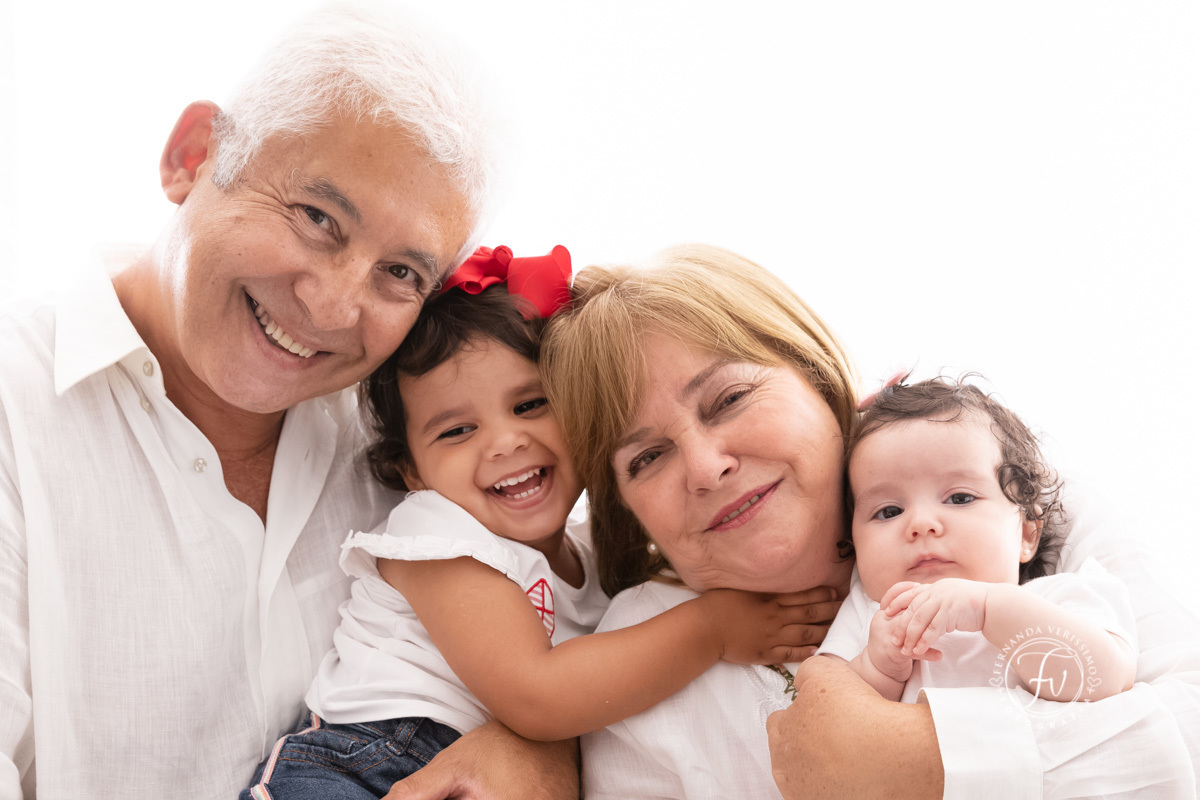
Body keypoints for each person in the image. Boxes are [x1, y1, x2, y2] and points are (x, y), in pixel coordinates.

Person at [0, 6, 581, 799]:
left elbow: (566, 600)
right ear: (192, 156)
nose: (334, 307)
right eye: (317, 218)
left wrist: (542, 749)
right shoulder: (16, 411)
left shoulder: (422, 432)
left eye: (401, 273)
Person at [539, 243, 1200, 799]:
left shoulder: (1006, 500)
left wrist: (916, 761)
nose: (707, 468)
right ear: (626, 506)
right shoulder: (631, 655)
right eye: (647, 458)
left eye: (730, 398)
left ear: (821, 380)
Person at [241, 247, 829, 799]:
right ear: (412, 473)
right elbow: (536, 696)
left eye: (529, 405)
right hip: (366, 761)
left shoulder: (593, 562)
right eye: (456, 431)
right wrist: (713, 630)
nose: (505, 442)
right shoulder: (436, 535)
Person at [820, 376, 1136, 706]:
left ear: (1026, 533)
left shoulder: (1060, 597)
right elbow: (823, 712)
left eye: (959, 498)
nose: (921, 524)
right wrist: (877, 668)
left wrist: (989, 609)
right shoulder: (869, 614)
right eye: (889, 511)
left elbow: (1107, 678)